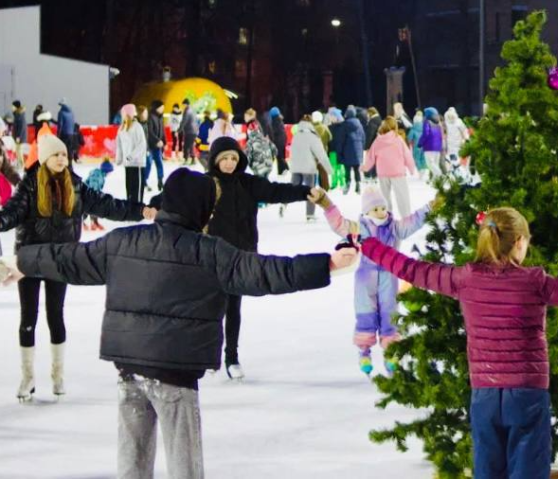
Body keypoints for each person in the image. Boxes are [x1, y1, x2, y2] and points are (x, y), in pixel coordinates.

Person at [0, 167, 355, 478]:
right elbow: (267, 273)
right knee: (184, 463)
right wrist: (327, 264)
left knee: (133, 460)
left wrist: (23, 262)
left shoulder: (123, 241)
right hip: (175, 373)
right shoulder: (211, 252)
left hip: (129, 365)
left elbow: (68, 259)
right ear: (199, 209)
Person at [352, 206, 558, 478]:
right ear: (518, 242)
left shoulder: (464, 278)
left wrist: (367, 245)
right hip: (527, 395)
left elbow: (409, 267)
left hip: (484, 397)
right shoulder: (535, 282)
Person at [0, 134, 153, 401]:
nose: (62, 159)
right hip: (30, 259)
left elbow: (108, 205)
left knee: (56, 315)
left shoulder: (76, 186)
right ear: (46, 158)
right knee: (28, 318)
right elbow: (11, 213)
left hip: (61, 260)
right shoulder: (30, 186)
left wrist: (141, 210)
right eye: (56, 155)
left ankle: (57, 377)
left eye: (64, 155)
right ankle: (28, 378)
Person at [205, 137, 326, 378]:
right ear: (215, 161)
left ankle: (231, 357)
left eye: (233, 158)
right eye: (224, 159)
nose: (229, 163)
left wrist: (305, 192)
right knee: (209, 307)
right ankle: (209, 354)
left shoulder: (248, 183)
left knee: (233, 306)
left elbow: (275, 191)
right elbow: (179, 202)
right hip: (212, 254)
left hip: (241, 256)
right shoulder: (206, 185)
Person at [320, 188, 431, 375]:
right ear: (366, 212)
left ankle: (391, 351)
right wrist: (327, 206)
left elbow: (411, 222)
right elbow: (339, 224)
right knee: (366, 311)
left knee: (390, 311)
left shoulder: (393, 227)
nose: (381, 212)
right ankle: (364, 350)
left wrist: (428, 208)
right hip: (365, 277)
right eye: (375, 209)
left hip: (389, 275)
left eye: (382, 208)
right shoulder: (360, 229)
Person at [361, 116, 416, 219]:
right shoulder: (398, 139)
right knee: (402, 196)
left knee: (384, 197)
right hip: (398, 172)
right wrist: (411, 167)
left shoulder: (378, 140)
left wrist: (365, 167)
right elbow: (407, 154)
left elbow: (371, 156)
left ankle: (386, 217)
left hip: (383, 173)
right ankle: (406, 217)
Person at [286, 115, 332, 221]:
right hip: (309, 168)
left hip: (297, 167)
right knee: (310, 191)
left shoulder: (296, 136)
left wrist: (293, 165)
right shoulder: (313, 136)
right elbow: (321, 154)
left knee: (292, 188)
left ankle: (284, 204)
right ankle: (310, 215)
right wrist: (328, 169)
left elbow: (292, 151)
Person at [115, 104, 148, 204]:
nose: (122, 116)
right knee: (129, 187)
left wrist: (131, 157)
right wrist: (119, 158)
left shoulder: (137, 127)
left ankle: (137, 209)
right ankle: (130, 208)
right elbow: (119, 145)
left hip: (137, 163)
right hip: (128, 164)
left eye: (124, 113)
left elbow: (142, 145)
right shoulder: (122, 128)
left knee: (137, 188)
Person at [337, 106, 366, 194]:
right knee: (357, 169)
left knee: (347, 169)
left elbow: (341, 139)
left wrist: (340, 150)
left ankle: (347, 184)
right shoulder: (359, 125)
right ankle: (358, 184)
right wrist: (361, 147)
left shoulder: (344, 125)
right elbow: (363, 138)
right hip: (357, 150)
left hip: (347, 150)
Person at [243, 108, 276, 180]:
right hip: (266, 161)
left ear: (249, 116)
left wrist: (246, 162)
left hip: (258, 161)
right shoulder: (258, 123)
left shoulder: (251, 125)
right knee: (264, 181)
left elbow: (250, 148)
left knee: (260, 182)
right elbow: (274, 149)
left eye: (245, 116)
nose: (244, 119)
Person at [83, 159, 115, 232]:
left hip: (93, 194)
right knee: (86, 209)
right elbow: (93, 184)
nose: (110, 174)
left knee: (95, 208)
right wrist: (94, 193)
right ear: (106, 170)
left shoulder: (101, 176)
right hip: (88, 194)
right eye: (110, 172)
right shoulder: (97, 174)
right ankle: (81, 222)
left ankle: (94, 222)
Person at [143, 101, 166, 191]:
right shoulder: (150, 117)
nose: (163, 109)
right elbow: (150, 132)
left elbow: (162, 130)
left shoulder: (160, 117)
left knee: (159, 163)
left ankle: (160, 180)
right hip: (150, 146)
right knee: (148, 163)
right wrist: (157, 141)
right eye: (161, 107)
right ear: (157, 107)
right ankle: (144, 180)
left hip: (158, 146)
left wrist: (164, 141)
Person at [444, 107, 471, 176]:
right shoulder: (458, 121)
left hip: (451, 144)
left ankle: (456, 172)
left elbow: (444, 132)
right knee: (457, 159)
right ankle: (459, 172)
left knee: (453, 158)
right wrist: (466, 139)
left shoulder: (446, 122)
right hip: (458, 143)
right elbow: (464, 131)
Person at [419, 107, 444, 179]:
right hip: (438, 147)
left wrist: (420, 143)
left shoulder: (426, 122)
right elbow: (441, 135)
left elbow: (425, 134)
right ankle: (436, 180)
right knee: (435, 164)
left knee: (430, 164)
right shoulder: (438, 123)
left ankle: (439, 174)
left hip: (429, 146)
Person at [269, 106, 288, 175]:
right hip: (282, 141)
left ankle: (284, 168)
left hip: (278, 141)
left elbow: (274, 132)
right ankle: (282, 170)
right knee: (280, 156)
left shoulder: (274, 121)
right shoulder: (280, 120)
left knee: (279, 156)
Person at [407, 110, 427, 176]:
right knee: (423, 157)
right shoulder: (424, 127)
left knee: (416, 158)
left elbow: (409, 138)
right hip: (424, 144)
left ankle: (420, 169)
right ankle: (424, 169)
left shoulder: (413, 128)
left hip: (417, 146)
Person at [180, 99, 199, 166]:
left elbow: (184, 121)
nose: (182, 106)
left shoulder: (187, 111)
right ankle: (193, 160)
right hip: (194, 131)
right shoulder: (192, 110)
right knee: (190, 146)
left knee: (186, 146)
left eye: (183, 105)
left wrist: (179, 130)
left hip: (189, 131)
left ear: (185, 104)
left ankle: (186, 160)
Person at [12, 100, 27, 168]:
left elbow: (21, 127)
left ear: (16, 107)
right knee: (18, 152)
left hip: (19, 137)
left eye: (13, 106)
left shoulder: (19, 115)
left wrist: (18, 137)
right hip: (18, 137)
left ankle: (22, 166)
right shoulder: (17, 114)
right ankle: (20, 165)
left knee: (19, 152)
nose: (12, 108)